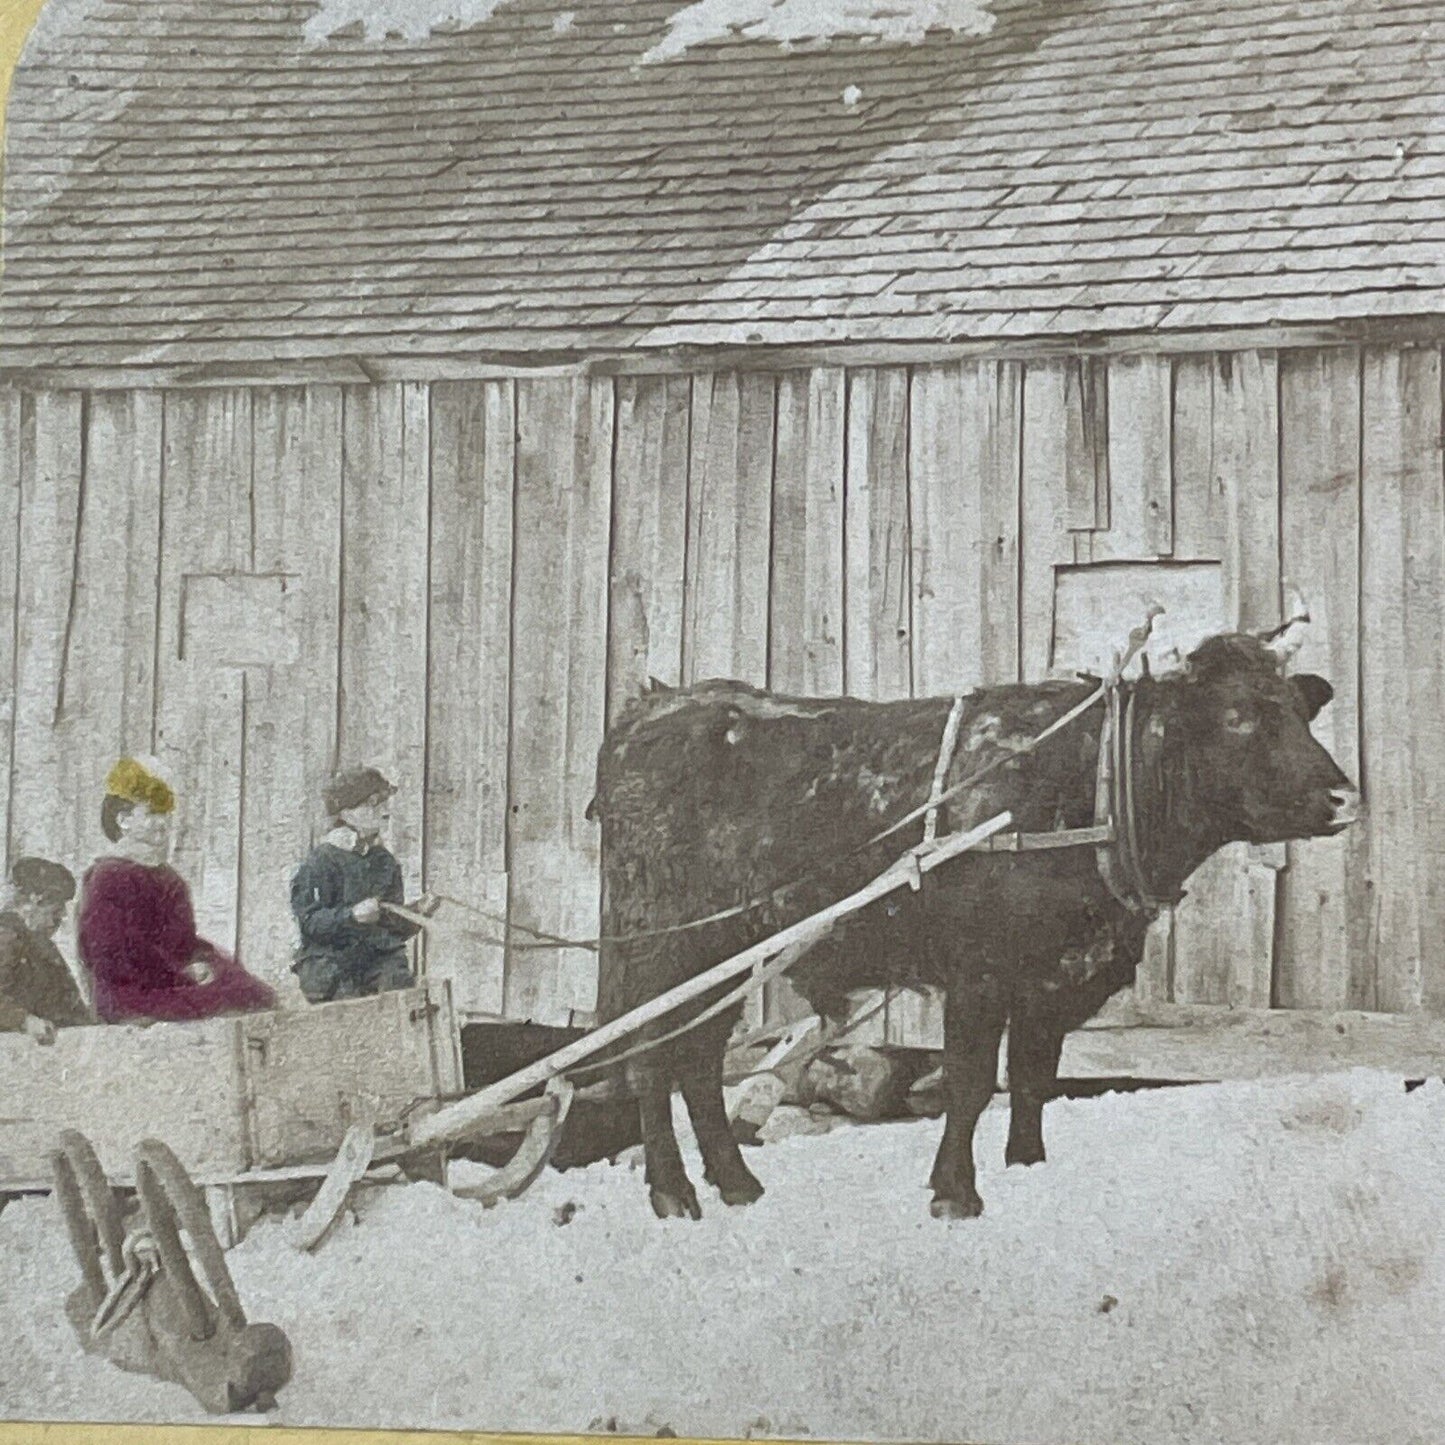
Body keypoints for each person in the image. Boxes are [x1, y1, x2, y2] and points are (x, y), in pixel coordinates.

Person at [76, 756, 277, 1024]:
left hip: (170, 981)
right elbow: (113, 957)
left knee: (252, 992)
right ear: (124, 820)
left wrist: (206, 964)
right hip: (131, 994)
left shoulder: (169, 878)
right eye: (151, 814)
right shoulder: (108, 878)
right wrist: (182, 974)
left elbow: (184, 941)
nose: (162, 823)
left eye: (165, 815)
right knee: (226, 1001)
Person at [289, 766, 437, 1004]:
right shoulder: (321, 861)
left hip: (377, 962)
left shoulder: (384, 862)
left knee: (398, 991)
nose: (385, 812)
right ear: (347, 814)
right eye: (373, 804)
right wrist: (352, 916)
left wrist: (417, 914)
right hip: (331, 963)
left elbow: (391, 928)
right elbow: (310, 922)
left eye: (383, 804)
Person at [0, 856, 91, 1043]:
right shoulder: (7, 936)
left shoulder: (44, 947)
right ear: (34, 901)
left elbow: (72, 1007)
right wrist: (24, 1021)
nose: (61, 917)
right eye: (55, 910)